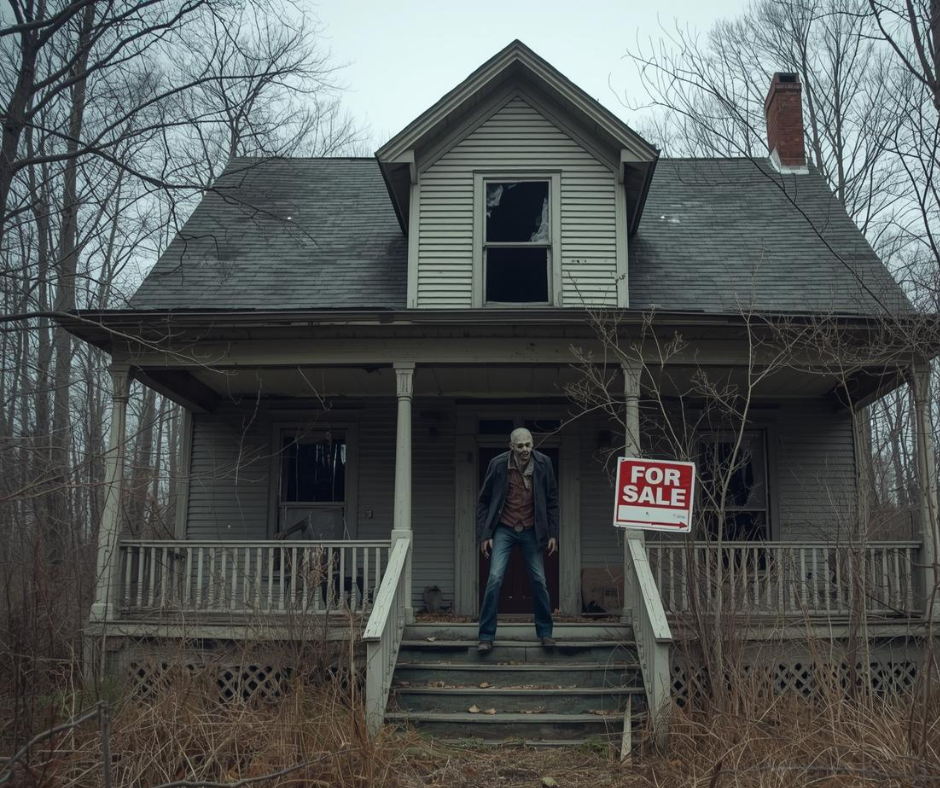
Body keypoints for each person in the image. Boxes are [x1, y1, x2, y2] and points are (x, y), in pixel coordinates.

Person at [476, 427, 559, 653]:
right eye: (520, 446)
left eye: (528, 445)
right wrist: (485, 535)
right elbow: (483, 501)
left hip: (532, 529)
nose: (525, 450)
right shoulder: (497, 465)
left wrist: (552, 533)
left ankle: (545, 633)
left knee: (539, 580)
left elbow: (552, 500)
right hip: (504, 527)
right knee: (494, 578)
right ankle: (485, 636)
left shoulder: (544, 464)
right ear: (511, 446)